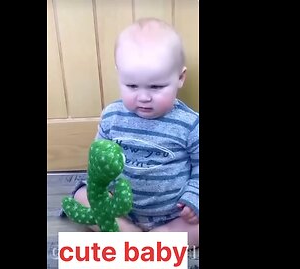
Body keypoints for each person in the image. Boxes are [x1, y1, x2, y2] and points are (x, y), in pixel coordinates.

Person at [62, 18, 199, 246]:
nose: (143, 97)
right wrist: (101, 190)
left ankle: (156, 238)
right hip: (119, 207)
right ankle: (130, 235)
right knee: (81, 196)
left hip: (173, 214)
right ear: (120, 75)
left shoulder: (190, 124)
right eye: (132, 86)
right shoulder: (112, 116)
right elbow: (98, 161)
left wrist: (194, 199)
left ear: (180, 78)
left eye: (156, 87)